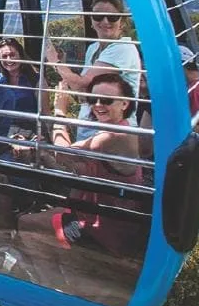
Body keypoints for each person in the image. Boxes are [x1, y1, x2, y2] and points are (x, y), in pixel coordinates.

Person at [15, 73, 145, 256]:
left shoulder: (116, 136)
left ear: (125, 104)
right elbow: (77, 170)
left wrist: (59, 111)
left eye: (107, 100)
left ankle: (46, 281)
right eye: (94, 98)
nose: (98, 104)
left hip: (104, 230)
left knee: (26, 223)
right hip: (99, 217)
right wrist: (43, 154)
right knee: (44, 218)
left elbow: (63, 153)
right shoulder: (112, 132)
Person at [45, 0, 141, 140]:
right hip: (89, 129)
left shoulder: (123, 48)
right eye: (98, 16)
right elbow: (83, 93)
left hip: (113, 132)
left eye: (112, 17)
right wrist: (63, 65)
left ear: (122, 22)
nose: (105, 21)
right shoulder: (93, 49)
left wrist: (54, 62)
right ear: (91, 20)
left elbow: (80, 84)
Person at [0, 37, 50, 138]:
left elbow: (45, 113)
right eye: (4, 56)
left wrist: (48, 138)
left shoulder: (35, 80)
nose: (9, 59)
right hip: (5, 130)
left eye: (12, 55)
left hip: (31, 130)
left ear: (21, 55)